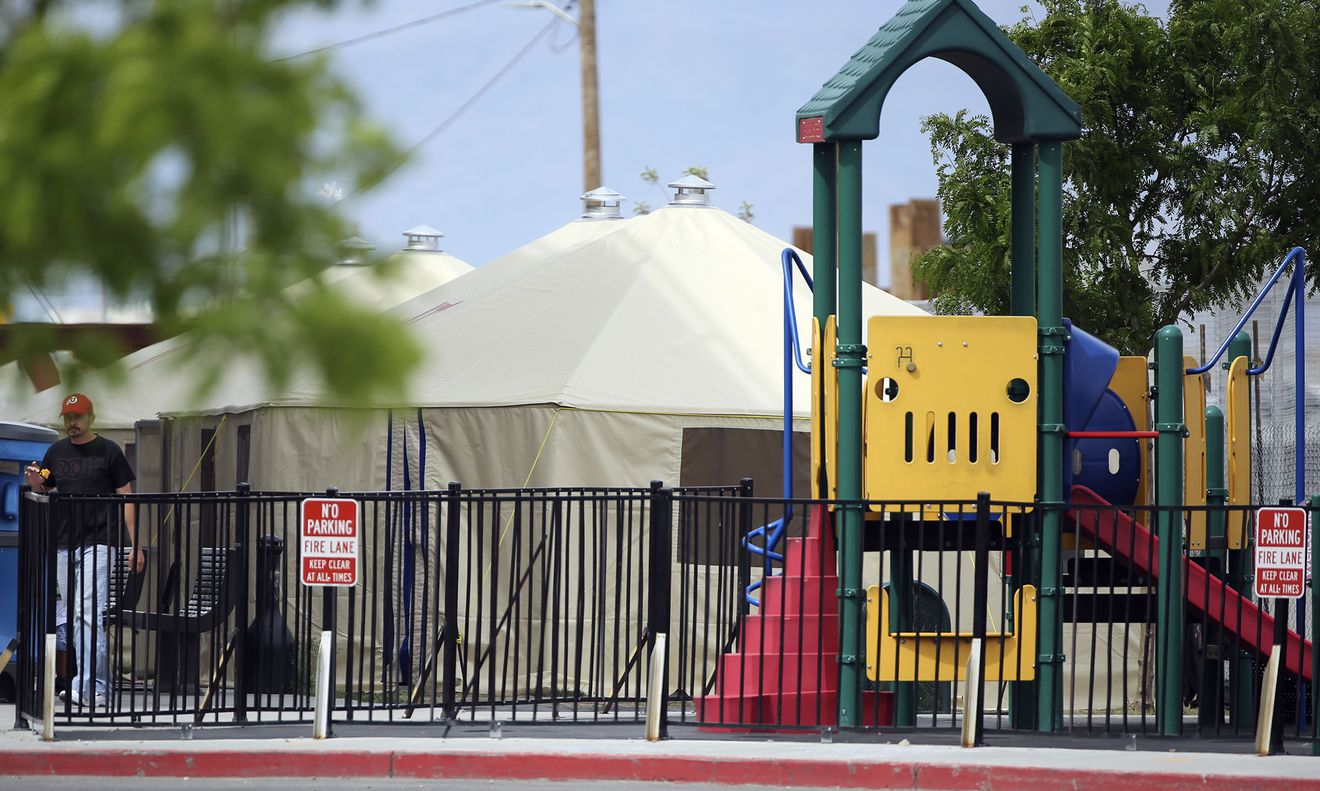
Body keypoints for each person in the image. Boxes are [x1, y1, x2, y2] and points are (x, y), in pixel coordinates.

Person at [24, 393, 140, 708]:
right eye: (67, 417)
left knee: (87, 614)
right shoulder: (55, 452)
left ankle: (92, 687)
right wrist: (35, 481)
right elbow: (43, 487)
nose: (71, 423)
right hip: (64, 543)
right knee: (76, 617)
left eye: (77, 417)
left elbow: (128, 498)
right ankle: (92, 686)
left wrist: (135, 545)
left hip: (100, 542)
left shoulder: (109, 451)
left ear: (90, 417)